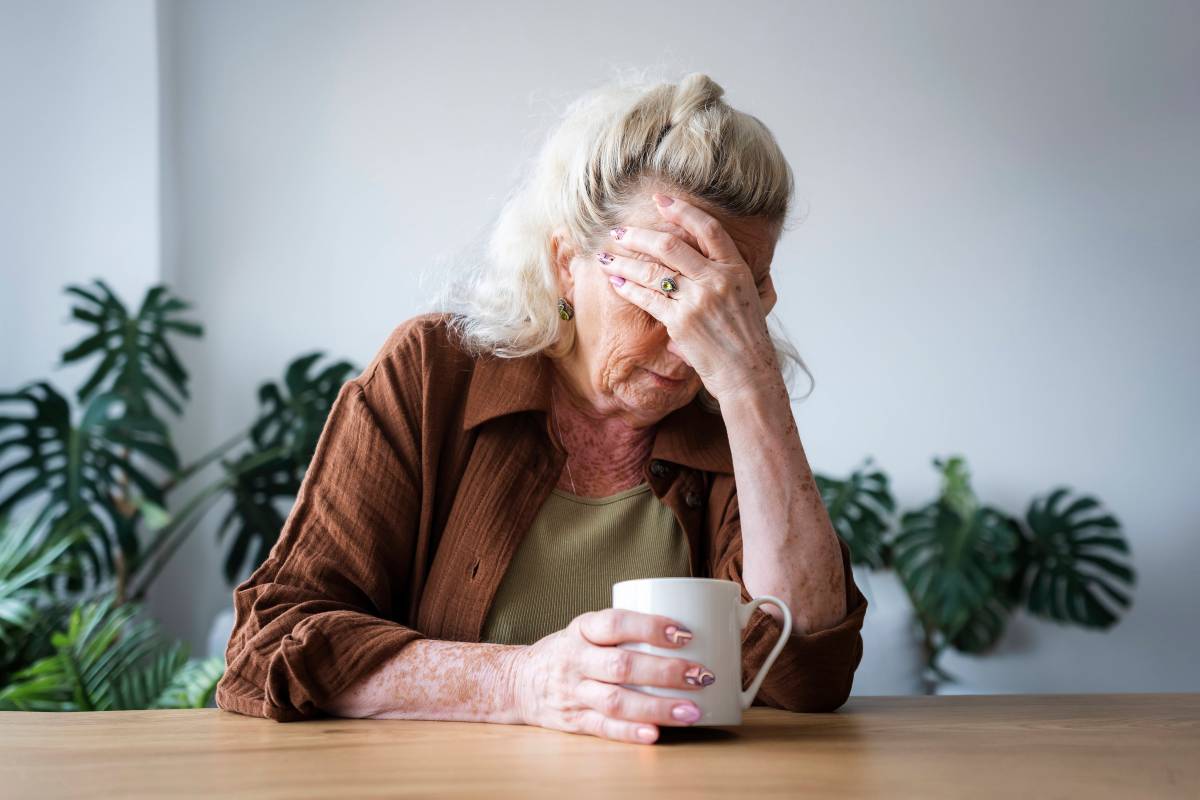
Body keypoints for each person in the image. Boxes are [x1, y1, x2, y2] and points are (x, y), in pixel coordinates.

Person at [215, 71, 867, 745]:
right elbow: (270, 644)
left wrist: (752, 384)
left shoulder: (731, 410)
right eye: (659, 286)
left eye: (724, 302)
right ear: (565, 264)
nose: (685, 340)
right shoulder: (434, 375)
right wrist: (521, 682)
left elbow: (809, 674)